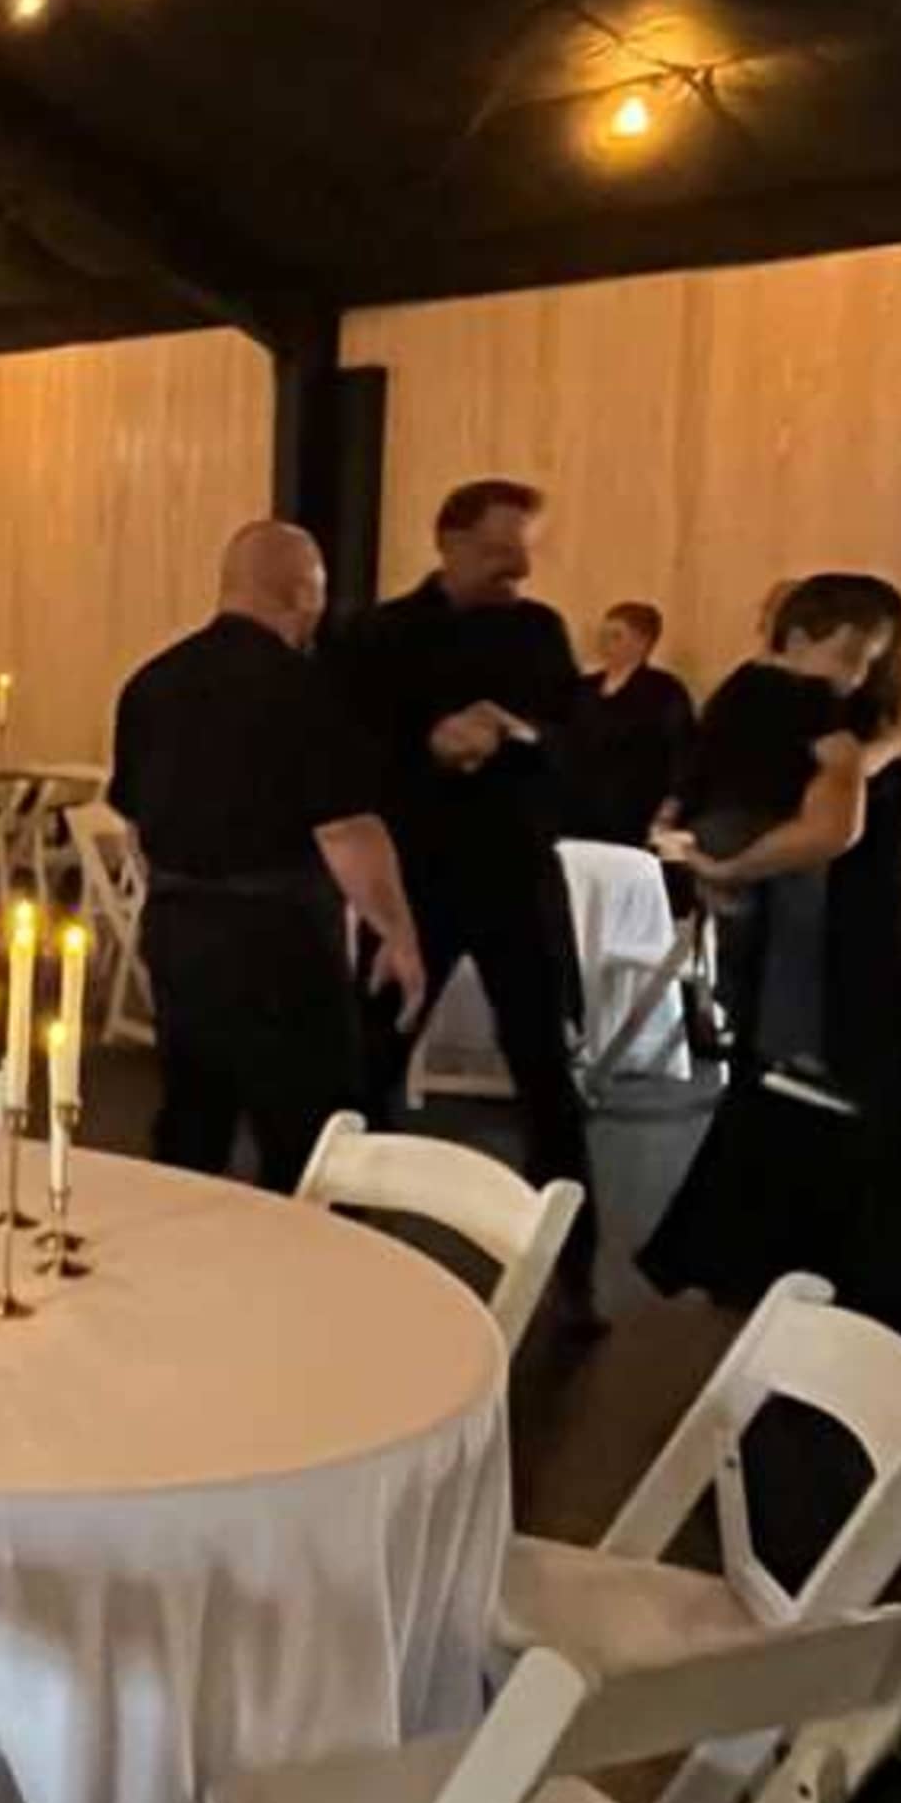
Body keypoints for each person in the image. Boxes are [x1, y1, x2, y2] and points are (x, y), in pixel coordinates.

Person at [642, 573, 901, 1335]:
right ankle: (843, 1283)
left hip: (838, 932)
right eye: (847, 654)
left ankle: (768, 1273)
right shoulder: (787, 709)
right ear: (798, 637)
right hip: (846, 939)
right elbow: (821, 831)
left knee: (798, 1097)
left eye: (870, 659)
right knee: (852, 1103)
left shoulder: (833, 714)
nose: (857, 673)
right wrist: (728, 871)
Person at [110, 520, 427, 1189]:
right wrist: (397, 932)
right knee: (310, 1134)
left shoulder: (149, 684)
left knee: (193, 1121)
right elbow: (347, 832)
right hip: (280, 940)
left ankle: (178, 1271)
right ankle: (305, 1275)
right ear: (303, 594)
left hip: (176, 929)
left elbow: (136, 822)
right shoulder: (308, 690)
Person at [349, 476, 594, 1268]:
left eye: (523, 552)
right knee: (372, 1057)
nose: (515, 569)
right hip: (412, 880)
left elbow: (575, 750)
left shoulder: (540, 633)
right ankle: (347, 1227)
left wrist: (515, 733)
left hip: (518, 876)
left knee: (546, 1071)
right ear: (448, 543)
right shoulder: (381, 636)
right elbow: (349, 759)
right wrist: (431, 744)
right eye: (497, 551)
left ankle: (570, 1258)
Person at [560, 599, 698, 850]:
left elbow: (682, 750)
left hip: (635, 809)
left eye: (616, 636)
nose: (605, 644)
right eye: (604, 635)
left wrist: (671, 805)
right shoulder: (584, 688)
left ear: (643, 642)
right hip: (580, 808)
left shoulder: (664, 690)